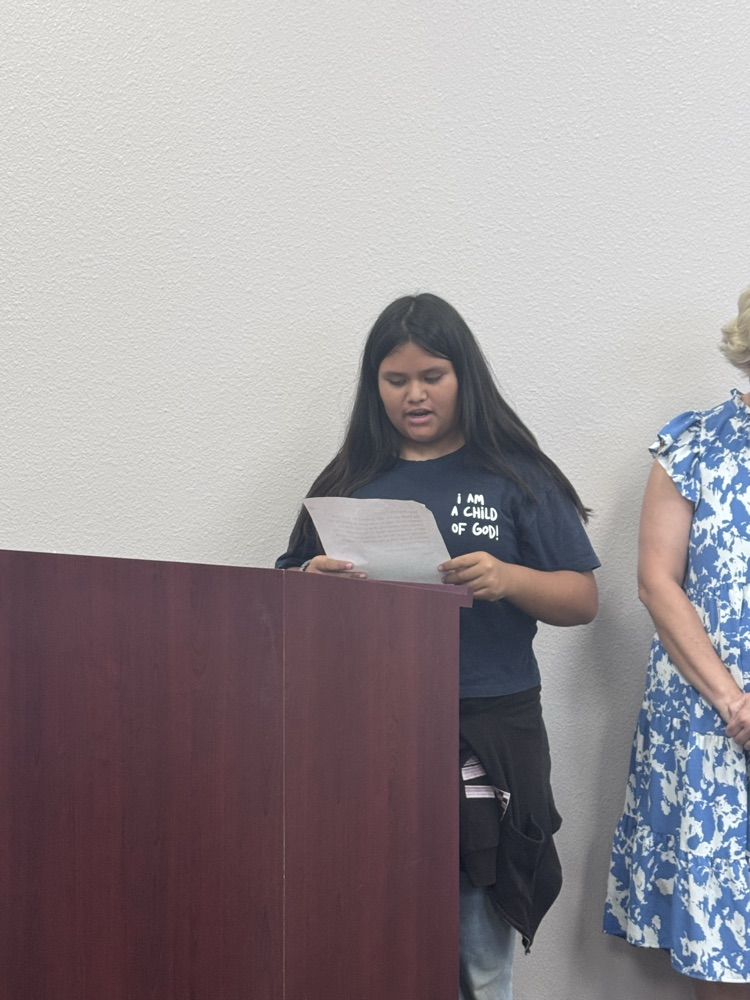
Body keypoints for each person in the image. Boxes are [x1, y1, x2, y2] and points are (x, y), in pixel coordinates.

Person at [276, 293, 599, 1000]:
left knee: (480, 945)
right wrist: (309, 578)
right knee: (372, 926)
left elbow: (583, 599)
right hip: (367, 728)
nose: (414, 394)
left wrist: (509, 577)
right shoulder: (348, 484)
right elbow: (282, 590)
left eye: (433, 375)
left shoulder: (515, 475)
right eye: (396, 380)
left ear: (464, 378)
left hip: (489, 727)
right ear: (375, 388)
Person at [604, 287, 750, 998]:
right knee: (721, 938)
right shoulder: (695, 444)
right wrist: (735, 703)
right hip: (710, 719)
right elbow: (657, 583)